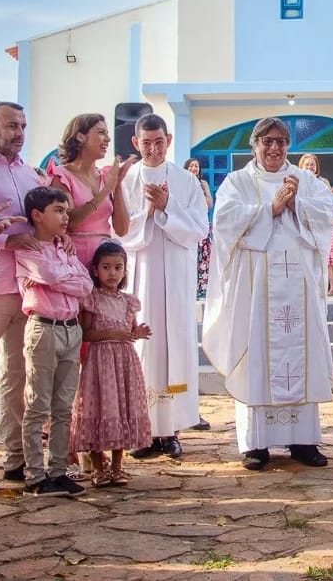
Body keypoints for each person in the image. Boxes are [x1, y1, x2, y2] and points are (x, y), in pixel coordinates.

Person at [202, 117, 333, 469]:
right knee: (256, 354)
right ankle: (255, 444)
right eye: (267, 141)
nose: (274, 148)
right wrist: (270, 209)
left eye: (281, 141)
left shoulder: (306, 181)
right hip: (256, 290)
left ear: (288, 145)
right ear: (254, 144)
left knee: (300, 354)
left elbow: (327, 215)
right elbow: (225, 221)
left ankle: (303, 441)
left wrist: (297, 205)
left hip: (299, 289)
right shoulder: (238, 182)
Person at [119, 113, 208, 460]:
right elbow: (119, 230)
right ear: (135, 144)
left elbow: (200, 228)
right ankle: (143, 431)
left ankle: (170, 432)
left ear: (168, 140)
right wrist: (148, 208)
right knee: (144, 349)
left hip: (176, 271)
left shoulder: (186, 181)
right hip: (140, 274)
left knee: (175, 346)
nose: (153, 149)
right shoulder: (126, 181)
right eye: (146, 143)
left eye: (159, 142)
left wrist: (168, 205)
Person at [16, 186, 93, 497]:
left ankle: (58, 470)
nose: (65, 217)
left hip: (71, 329)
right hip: (43, 330)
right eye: (58, 211)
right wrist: (63, 278)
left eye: (66, 210)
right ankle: (35, 475)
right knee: (38, 405)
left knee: (63, 406)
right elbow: (46, 274)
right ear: (37, 215)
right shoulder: (27, 249)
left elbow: (86, 285)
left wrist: (62, 277)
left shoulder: (66, 249)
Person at [70, 241, 152, 487]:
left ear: (125, 271)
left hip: (125, 363)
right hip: (100, 362)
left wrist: (138, 331)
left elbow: (130, 329)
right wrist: (114, 335)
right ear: (95, 270)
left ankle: (117, 466)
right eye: (106, 267)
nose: (112, 273)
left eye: (118, 267)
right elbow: (86, 333)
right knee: (97, 408)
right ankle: (98, 467)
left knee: (122, 408)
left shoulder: (128, 302)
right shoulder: (91, 299)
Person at [0, 102, 42, 483]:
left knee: (18, 375)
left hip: (25, 290)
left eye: (23, 125)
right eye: (12, 125)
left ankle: (15, 459)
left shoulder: (30, 174)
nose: (19, 132)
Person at [49, 114, 134, 267]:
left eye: (107, 134)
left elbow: (122, 230)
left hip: (105, 265)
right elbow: (70, 222)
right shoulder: (61, 175)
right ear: (80, 137)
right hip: (74, 259)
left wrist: (118, 184)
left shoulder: (107, 177)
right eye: (101, 132)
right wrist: (105, 191)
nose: (108, 139)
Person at [183, 158, 212, 300]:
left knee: (202, 259)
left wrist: (198, 196)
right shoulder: (182, 182)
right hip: (188, 225)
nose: (194, 168)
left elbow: (209, 203)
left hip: (201, 225)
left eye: (196, 166)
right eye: (191, 166)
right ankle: (188, 287)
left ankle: (201, 290)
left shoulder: (203, 184)